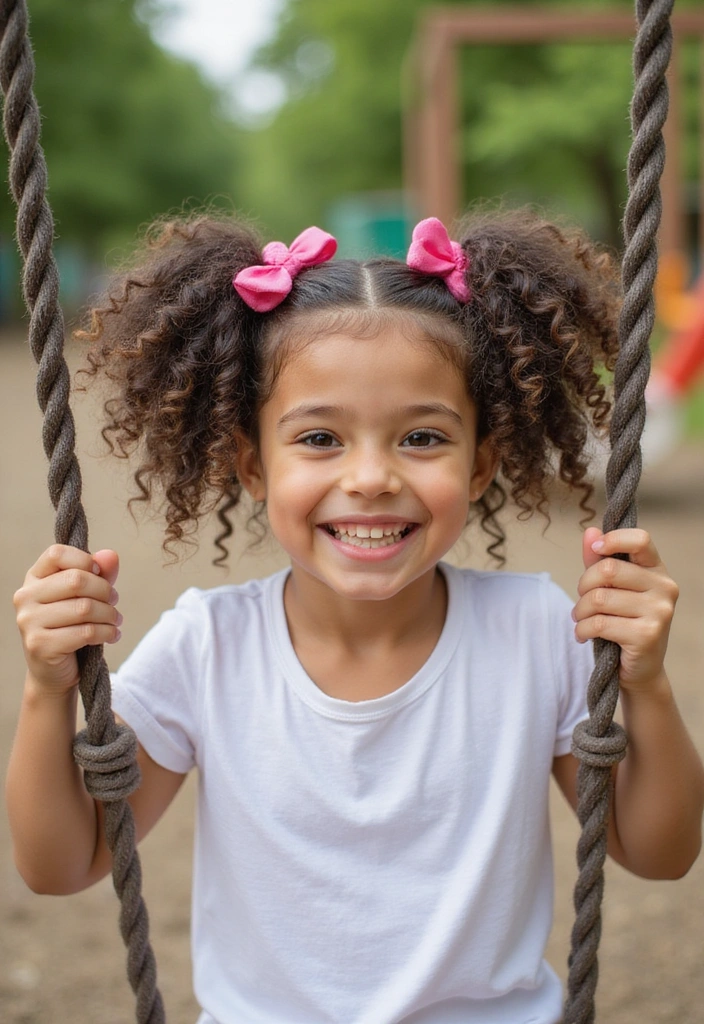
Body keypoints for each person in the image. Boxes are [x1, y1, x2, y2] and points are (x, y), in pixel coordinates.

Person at [8, 211, 704, 1024]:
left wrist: (647, 685)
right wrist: (46, 689)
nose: (371, 477)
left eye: (419, 437)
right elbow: (62, 863)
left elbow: (658, 852)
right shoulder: (209, 647)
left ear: (479, 465)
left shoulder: (536, 632)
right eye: (319, 438)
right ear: (252, 465)